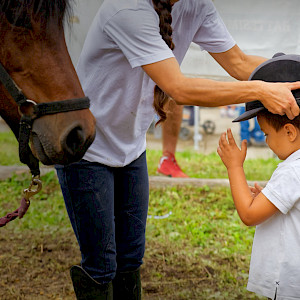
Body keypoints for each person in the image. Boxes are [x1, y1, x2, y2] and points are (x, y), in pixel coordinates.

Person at [55, 0, 300, 299]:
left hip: (132, 148)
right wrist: (261, 90)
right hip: (87, 148)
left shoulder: (196, 5)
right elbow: (179, 88)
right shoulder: (127, 9)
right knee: (102, 265)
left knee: (130, 258)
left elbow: (240, 64)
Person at [217, 54, 300, 299]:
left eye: (265, 133)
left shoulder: (292, 170)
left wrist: (234, 167)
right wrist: (266, 198)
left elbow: (249, 214)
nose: (265, 141)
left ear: (289, 132)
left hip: (287, 284)